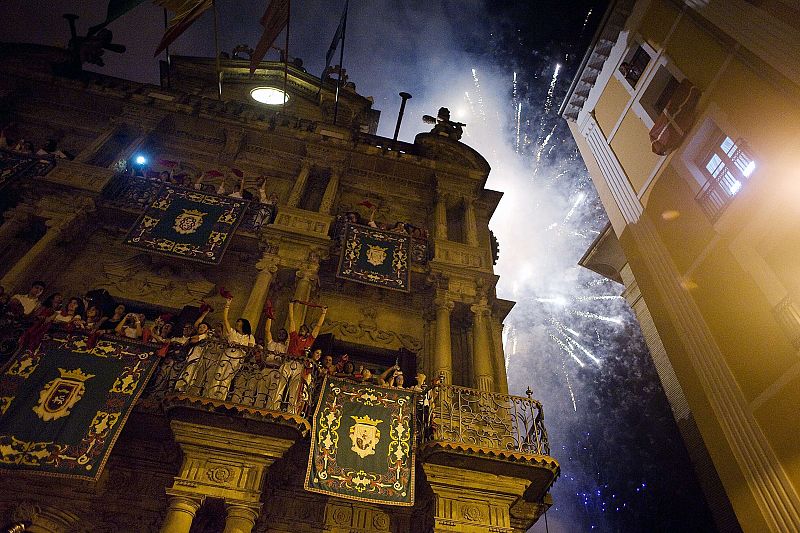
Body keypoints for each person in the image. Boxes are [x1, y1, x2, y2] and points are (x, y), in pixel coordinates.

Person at [206, 296, 255, 401]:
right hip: (227, 354)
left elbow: (250, 350)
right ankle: (210, 396)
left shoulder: (250, 337)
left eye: (239, 322)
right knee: (219, 373)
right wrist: (227, 305)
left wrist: (239, 345)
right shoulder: (232, 332)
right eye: (237, 322)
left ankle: (220, 397)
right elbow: (225, 319)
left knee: (228, 377)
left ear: (244, 324)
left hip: (238, 358)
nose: (237, 324)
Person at [174, 306, 213, 394]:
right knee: (186, 371)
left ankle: (185, 389)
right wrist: (204, 313)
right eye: (200, 327)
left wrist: (189, 340)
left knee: (190, 373)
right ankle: (180, 388)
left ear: (207, 330)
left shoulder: (205, 336)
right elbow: (197, 324)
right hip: (190, 357)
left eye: (204, 327)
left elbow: (194, 340)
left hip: (196, 358)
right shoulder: (199, 334)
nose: (201, 328)